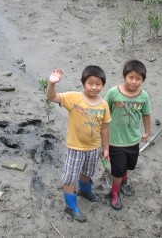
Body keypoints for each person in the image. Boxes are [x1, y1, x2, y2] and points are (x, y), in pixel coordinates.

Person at [46, 66, 111, 222]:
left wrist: (106, 148)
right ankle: (71, 207)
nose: (94, 87)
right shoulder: (73, 98)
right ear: (83, 83)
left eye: (98, 84)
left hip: (94, 148)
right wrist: (52, 83)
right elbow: (52, 97)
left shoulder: (103, 105)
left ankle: (85, 192)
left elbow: (105, 128)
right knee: (70, 178)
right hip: (75, 148)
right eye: (90, 83)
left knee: (88, 173)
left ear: (103, 85)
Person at [105, 59, 152, 210]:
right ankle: (114, 193)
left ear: (143, 80)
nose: (134, 82)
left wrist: (147, 131)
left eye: (138, 79)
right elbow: (104, 113)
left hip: (133, 140)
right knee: (117, 171)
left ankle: (123, 184)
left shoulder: (144, 96)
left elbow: (146, 114)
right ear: (124, 76)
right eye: (131, 77)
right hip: (115, 141)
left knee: (128, 165)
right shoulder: (113, 93)